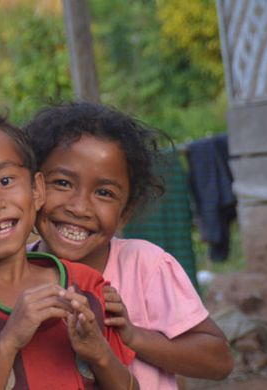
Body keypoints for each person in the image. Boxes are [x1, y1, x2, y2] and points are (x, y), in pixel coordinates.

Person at [0, 105, 137, 390]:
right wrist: (7, 343)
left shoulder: (88, 287)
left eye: (5, 181)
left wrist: (99, 353)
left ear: (36, 190)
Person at [25, 102, 234, 389]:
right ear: (33, 187)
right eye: (62, 183)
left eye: (104, 192)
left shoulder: (145, 267)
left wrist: (133, 336)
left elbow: (219, 360)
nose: (79, 207)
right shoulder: (13, 273)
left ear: (126, 211)